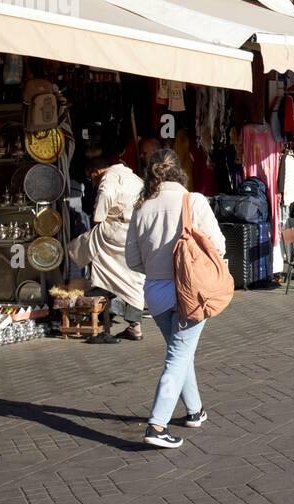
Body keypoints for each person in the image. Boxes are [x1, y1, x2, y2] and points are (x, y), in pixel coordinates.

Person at [126, 148, 226, 450]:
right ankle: (156, 425)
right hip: (189, 293)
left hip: (155, 294)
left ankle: (195, 410)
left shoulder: (141, 208)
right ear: (178, 171)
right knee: (177, 357)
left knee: (179, 352)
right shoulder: (192, 201)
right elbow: (218, 246)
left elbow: (132, 260)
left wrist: (156, 267)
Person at [67, 161, 146, 343]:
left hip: (114, 234)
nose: (92, 182)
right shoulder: (136, 179)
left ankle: (104, 325)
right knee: (134, 280)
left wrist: (98, 219)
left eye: (92, 177)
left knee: (94, 264)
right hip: (134, 232)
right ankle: (135, 327)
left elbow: (100, 213)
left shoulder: (109, 180)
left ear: (97, 170)